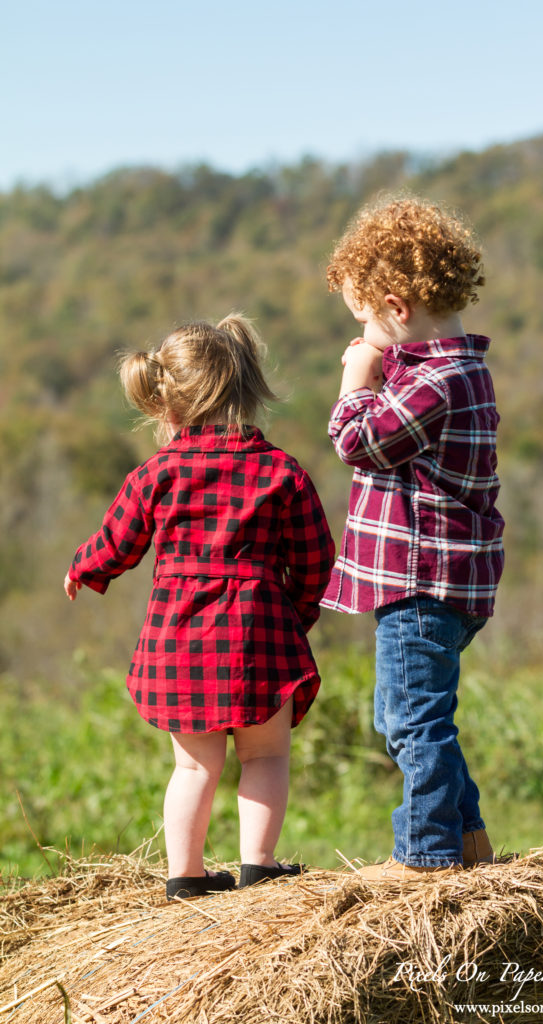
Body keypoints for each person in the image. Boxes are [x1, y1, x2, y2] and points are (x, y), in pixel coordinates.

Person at [65, 316, 335, 897]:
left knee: (193, 767)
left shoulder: (156, 472)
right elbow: (316, 559)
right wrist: (296, 610)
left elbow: (117, 542)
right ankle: (258, 866)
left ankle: (184, 877)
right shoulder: (282, 471)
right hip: (260, 633)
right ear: (245, 388)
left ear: (167, 403)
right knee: (265, 757)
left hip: (180, 639)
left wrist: (83, 567)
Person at [321, 196, 505, 879]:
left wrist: (354, 378)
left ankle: (423, 857)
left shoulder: (435, 381)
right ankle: (466, 838)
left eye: (366, 320)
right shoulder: (458, 369)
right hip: (444, 578)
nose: (364, 335)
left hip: (421, 578)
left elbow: (359, 441)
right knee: (410, 716)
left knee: (411, 724)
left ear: (396, 308)